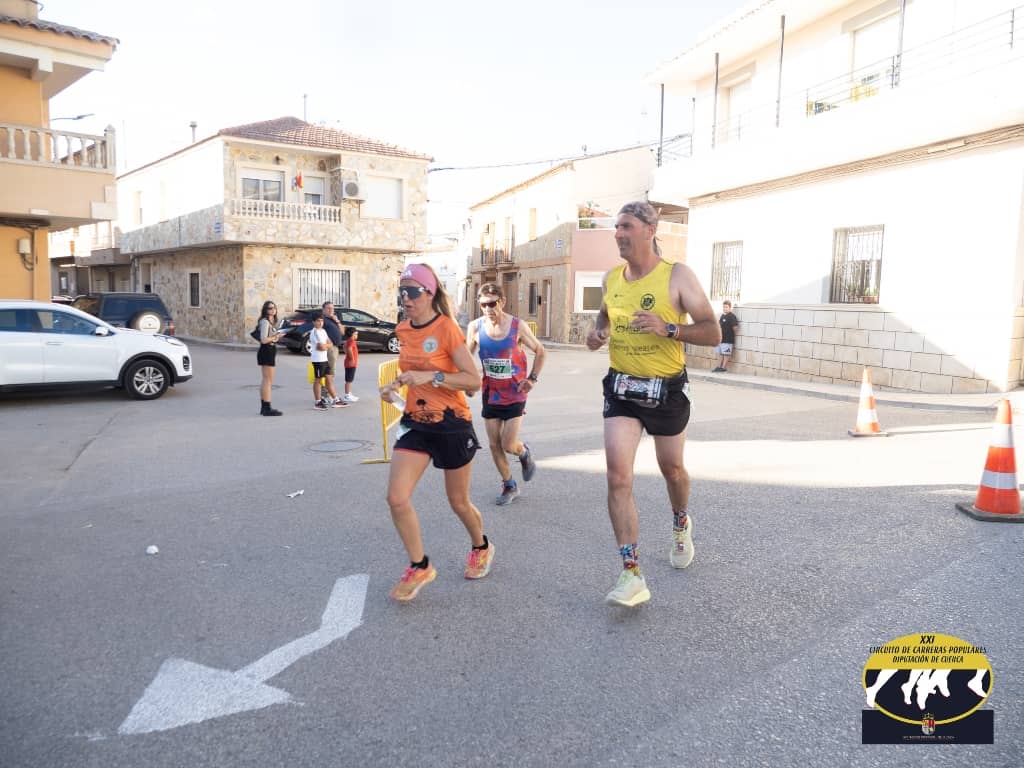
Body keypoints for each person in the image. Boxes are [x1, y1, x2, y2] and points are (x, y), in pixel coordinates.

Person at [585, 201, 720, 607]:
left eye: (626, 226)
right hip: (622, 389)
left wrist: (670, 328)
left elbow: (713, 332)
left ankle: (680, 521)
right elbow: (603, 318)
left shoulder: (677, 276)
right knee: (617, 478)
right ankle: (631, 574)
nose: (618, 234)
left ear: (650, 229)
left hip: (666, 391)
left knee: (671, 469)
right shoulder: (611, 279)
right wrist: (597, 334)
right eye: (616, 227)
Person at [380, 263, 493, 601]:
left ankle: (481, 546)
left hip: (451, 423)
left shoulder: (446, 328)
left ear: (430, 293)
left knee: (458, 502)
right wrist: (395, 386)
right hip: (415, 422)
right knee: (396, 497)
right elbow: (412, 372)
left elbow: (473, 381)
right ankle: (420, 565)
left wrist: (432, 377)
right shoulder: (403, 330)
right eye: (402, 292)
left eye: (413, 292)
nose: (406, 298)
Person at [465, 282, 547, 506]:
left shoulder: (517, 326)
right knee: (494, 444)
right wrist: (467, 382)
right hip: (491, 393)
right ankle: (509, 484)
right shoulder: (474, 327)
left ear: (502, 302)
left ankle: (523, 452)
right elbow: (466, 358)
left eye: (492, 304)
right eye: (483, 304)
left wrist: (532, 378)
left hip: (515, 392)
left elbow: (541, 351)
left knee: (508, 444)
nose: (488, 309)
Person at [256, 300, 285, 416]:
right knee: (268, 380)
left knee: (266, 380)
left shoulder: (269, 322)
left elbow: (269, 338)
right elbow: (263, 339)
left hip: (269, 350)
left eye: (274, 308)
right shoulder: (265, 322)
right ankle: (267, 408)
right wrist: (274, 337)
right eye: (270, 308)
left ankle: (264, 407)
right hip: (267, 350)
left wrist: (277, 337)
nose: (272, 310)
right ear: (265, 310)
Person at [309, 312, 340, 410]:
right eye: (318, 321)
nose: (320, 323)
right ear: (313, 322)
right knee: (318, 381)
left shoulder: (323, 331)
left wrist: (325, 346)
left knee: (329, 379)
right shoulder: (314, 332)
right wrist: (326, 346)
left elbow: (330, 343)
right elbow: (321, 347)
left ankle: (336, 400)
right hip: (318, 360)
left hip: (325, 359)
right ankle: (318, 402)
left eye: (322, 321)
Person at [321, 301, 345, 405]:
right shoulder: (322, 320)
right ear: (323, 310)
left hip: (335, 348)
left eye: (332, 308)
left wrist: (337, 321)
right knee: (329, 373)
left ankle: (327, 394)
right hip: (329, 349)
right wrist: (328, 342)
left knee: (330, 372)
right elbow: (319, 332)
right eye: (328, 308)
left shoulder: (333, 320)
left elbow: (342, 332)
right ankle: (325, 395)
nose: (331, 310)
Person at [713, 300, 739, 372]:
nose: (725, 308)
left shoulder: (732, 316)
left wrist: (730, 333)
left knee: (726, 354)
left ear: (730, 308)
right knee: (721, 353)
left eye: (726, 307)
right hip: (721, 339)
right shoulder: (722, 316)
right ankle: (719, 367)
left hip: (728, 339)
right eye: (724, 307)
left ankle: (723, 368)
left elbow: (735, 327)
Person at [342, 326, 360, 403]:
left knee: (349, 379)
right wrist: (352, 359)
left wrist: (347, 354)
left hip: (348, 363)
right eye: (356, 334)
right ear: (352, 334)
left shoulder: (349, 341)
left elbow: (344, 346)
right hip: (351, 363)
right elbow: (349, 349)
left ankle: (348, 393)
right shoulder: (352, 341)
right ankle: (347, 395)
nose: (357, 335)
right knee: (349, 380)